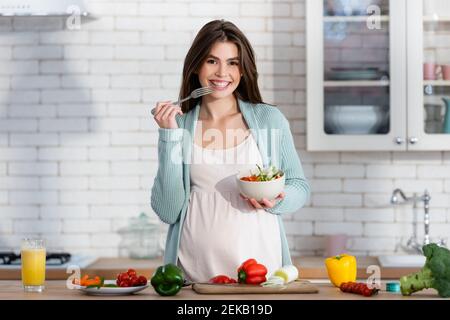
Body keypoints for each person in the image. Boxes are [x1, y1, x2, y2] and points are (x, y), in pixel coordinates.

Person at [151, 19, 310, 283]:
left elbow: (299, 186)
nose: (222, 72)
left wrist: (278, 197)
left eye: (233, 62)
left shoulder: (269, 119)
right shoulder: (178, 125)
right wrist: (169, 136)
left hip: (261, 271)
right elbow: (168, 210)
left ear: (243, 69)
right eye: (212, 61)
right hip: (194, 275)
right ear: (196, 66)